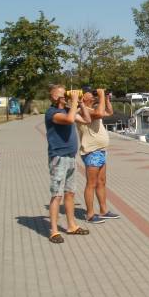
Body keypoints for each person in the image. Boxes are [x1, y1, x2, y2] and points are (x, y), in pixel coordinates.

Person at [45, 85, 91, 243]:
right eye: (62, 94)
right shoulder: (52, 113)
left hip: (70, 157)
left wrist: (82, 104)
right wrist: (74, 102)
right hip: (58, 157)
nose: (65, 96)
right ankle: (54, 231)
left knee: (70, 193)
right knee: (57, 195)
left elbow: (87, 120)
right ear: (53, 97)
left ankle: (71, 226)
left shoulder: (67, 110)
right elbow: (70, 119)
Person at [77, 87, 120, 223]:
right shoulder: (82, 111)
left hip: (100, 151)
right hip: (91, 151)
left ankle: (103, 210)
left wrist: (106, 98)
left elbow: (109, 112)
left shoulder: (94, 109)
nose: (93, 94)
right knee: (91, 183)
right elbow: (100, 113)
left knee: (101, 182)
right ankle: (90, 214)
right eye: (90, 92)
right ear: (83, 97)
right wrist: (100, 96)